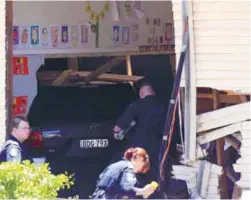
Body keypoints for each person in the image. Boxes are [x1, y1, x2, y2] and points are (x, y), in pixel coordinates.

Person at [112, 80, 165, 185]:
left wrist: (115, 132)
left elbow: (119, 127)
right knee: (153, 177)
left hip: (139, 147)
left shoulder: (137, 104)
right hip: (158, 147)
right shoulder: (163, 105)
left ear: (141, 93)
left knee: (136, 175)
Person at [92, 147, 157, 199]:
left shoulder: (117, 165)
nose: (141, 169)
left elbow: (118, 190)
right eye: (143, 164)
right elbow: (126, 189)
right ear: (139, 159)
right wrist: (143, 191)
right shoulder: (129, 168)